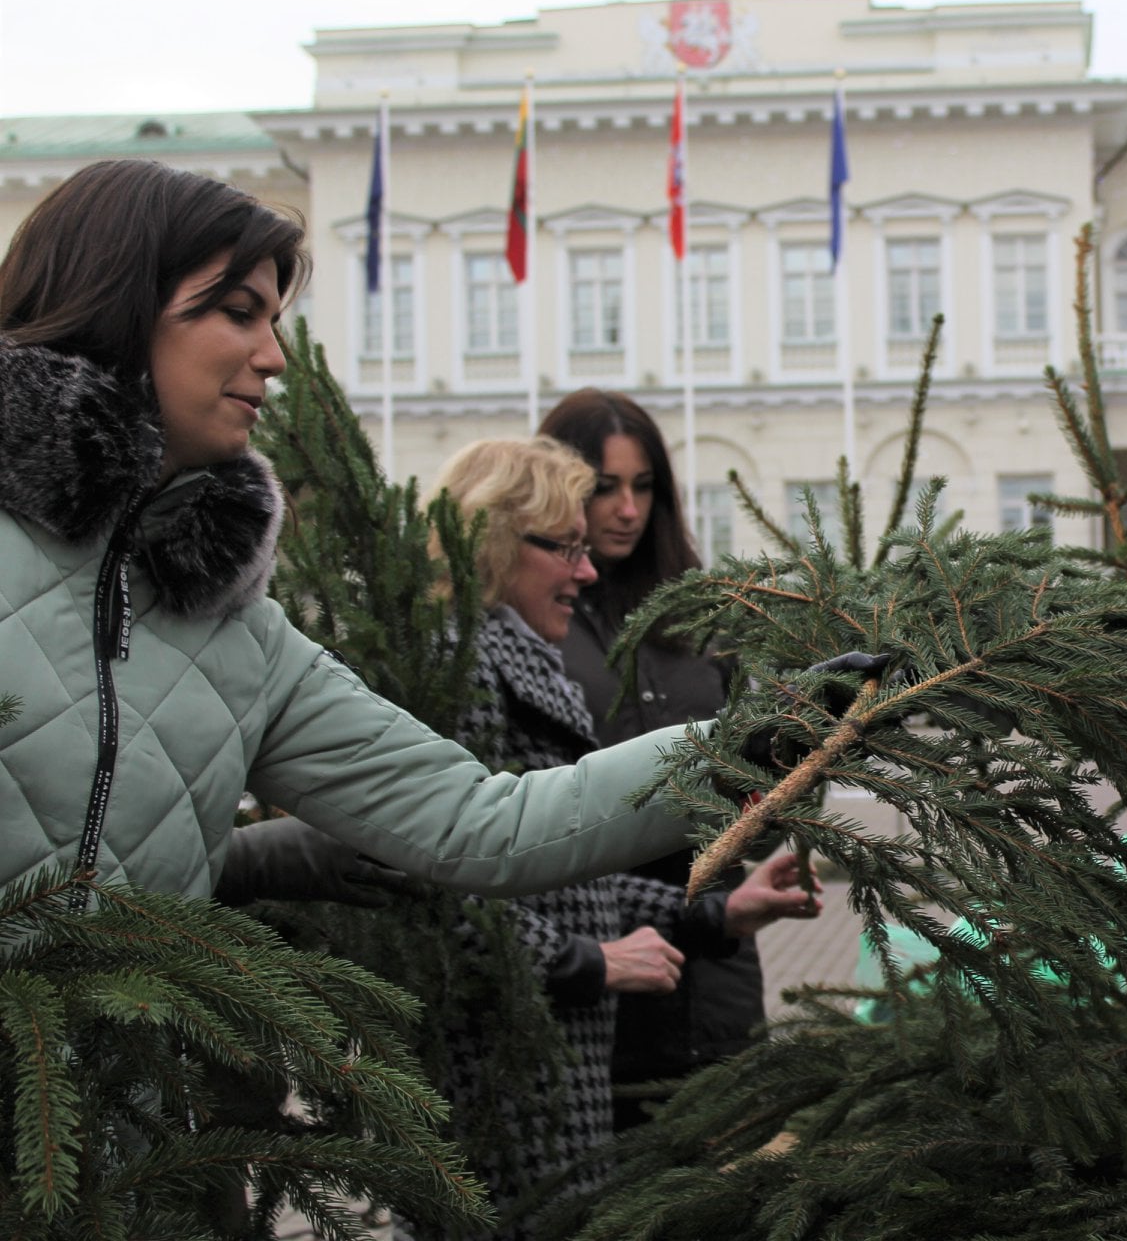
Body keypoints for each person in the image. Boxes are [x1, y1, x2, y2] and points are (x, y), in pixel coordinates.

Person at [0, 160, 790, 920]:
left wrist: (759, 739)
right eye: (239, 312)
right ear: (120, 305)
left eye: (274, 321)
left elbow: (482, 824)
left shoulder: (242, 635)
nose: (275, 356)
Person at [424, 436, 818, 1239]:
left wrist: (721, 911)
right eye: (566, 548)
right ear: (496, 542)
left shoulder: (522, 662)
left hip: (553, 1069)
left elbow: (566, 878)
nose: (587, 572)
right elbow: (434, 885)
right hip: (500, 1072)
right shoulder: (461, 667)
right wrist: (588, 962)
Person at [538, 389, 771, 1131]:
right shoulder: (536, 621)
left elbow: (757, 785)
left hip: (716, 963)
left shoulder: (703, 619)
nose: (627, 510)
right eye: (604, 487)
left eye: (643, 487)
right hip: (594, 964)